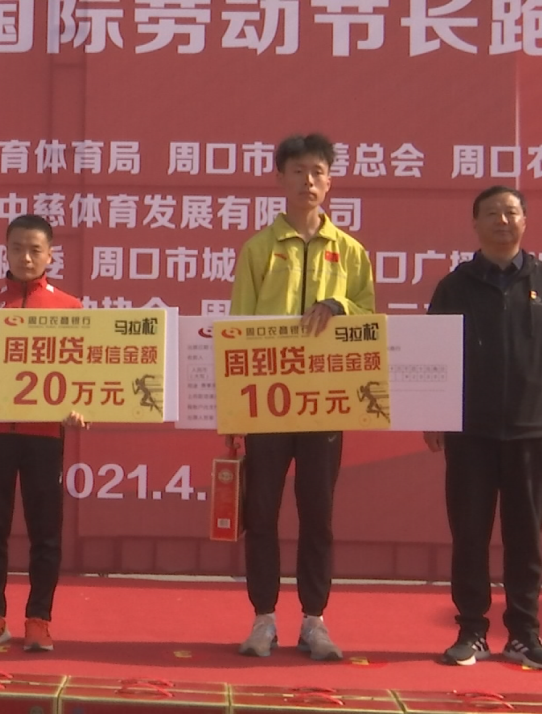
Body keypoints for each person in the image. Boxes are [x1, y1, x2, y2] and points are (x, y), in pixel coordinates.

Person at [424, 185, 542, 670]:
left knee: (525, 537)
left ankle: (523, 633)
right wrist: (432, 414)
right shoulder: (455, 286)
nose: (502, 221)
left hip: (532, 430)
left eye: (511, 212)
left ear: (524, 222)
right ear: (474, 223)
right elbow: (432, 357)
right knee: (469, 534)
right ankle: (472, 631)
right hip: (469, 431)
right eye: (492, 213)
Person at [228, 134, 376, 661]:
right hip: (267, 404)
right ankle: (263, 618)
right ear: (280, 178)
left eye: (317, 171)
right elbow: (239, 328)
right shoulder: (259, 249)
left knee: (318, 513)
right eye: (297, 171)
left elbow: (369, 318)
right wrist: (235, 412)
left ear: (329, 181)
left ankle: (315, 619)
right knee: (261, 511)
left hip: (325, 404)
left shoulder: (350, 251)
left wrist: (338, 305)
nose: (307, 181)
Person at [0, 214, 86, 653]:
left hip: (45, 436)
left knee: (46, 531)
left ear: (50, 255)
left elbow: (86, 377)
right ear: (5, 252)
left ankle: (39, 619)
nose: (26, 258)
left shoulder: (71, 310)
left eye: (35, 250)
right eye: (17, 248)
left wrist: (83, 408)